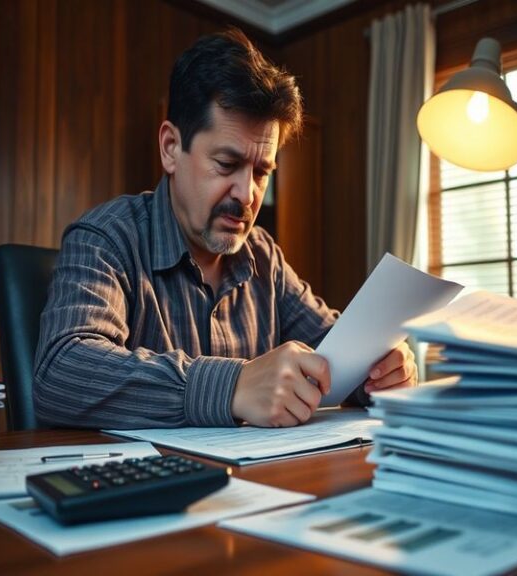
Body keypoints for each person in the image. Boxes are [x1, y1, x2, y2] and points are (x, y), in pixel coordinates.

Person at [33, 28, 417, 430]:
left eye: (262, 172)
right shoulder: (105, 238)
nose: (247, 194)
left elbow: (332, 351)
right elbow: (61, 372)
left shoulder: (264, 255)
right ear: (170, 148)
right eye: (226, 164)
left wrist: (377, 372)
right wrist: (232, 385)